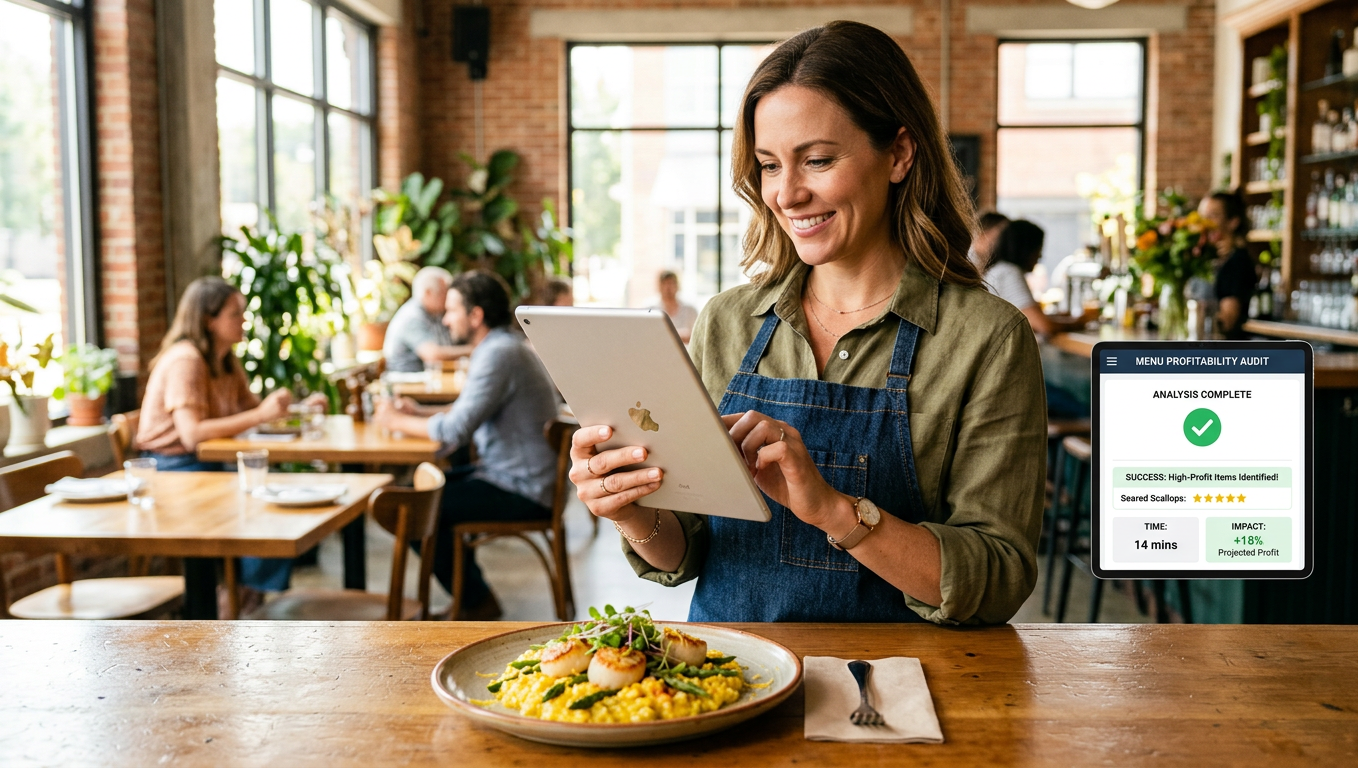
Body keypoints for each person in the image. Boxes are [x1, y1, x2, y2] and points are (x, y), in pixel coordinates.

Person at [567, 21, 1046, 625]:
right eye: (769, 166)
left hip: (897, 697)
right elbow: (684, 549)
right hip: (729, 687)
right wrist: (630, 510)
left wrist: (835, 511)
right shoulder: (728, 322)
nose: (787, 194)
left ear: (899, 153)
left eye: (817, 160)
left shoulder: (986, 338)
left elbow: (998, 579)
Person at [375, 271, 559, 620]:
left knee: (413, 508)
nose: (445, 319)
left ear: (476, 315)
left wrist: (396, 421)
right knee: (419, 494)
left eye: (453, 310)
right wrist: (420, 411)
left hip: (523, 488)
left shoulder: (498, 353)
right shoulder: (502, 347)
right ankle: (467, 596)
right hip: (513, 475)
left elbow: (456, 430)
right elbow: (468, 410)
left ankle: (475, 602)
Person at [134, 276, 321, 615]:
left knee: (271, 504)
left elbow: (253, 412)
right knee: (261, 507)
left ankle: (243, 595)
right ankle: (232, 602)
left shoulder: (224, 359)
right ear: (209, 319)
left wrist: (298, 410)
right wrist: (261, 413)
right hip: (172, 470)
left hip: (207, 466)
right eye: (236, 314)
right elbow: (191, 435)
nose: (244, 321)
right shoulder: (186, 360)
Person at [983, 220, 1096, 335]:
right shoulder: (1009, 273)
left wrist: (1056, 317)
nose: (1040, 256)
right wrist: (1079, 322)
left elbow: (1022, 316)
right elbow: (1042, 325)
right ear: (1027, 249)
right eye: (1039, 249)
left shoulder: (1000, 270)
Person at [382, 266, 471, 372]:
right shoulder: (411, 316)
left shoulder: (436, 314)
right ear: (428, 292)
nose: (448, 298)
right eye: (444, 292)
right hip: (405, 383)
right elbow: (433, 356)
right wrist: (471, 350)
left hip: (427, 380)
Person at [1199, 190, 1256, 339]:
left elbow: (1227, 321)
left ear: (1233, 222)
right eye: (1202, 215)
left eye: (1213, 215)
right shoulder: (1200, 257)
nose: (1204, 222)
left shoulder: (1238, 262)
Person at [652, 271, 698, 343]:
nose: (668, 288)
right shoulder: (650, 310)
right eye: (665, 284)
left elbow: (698, 336)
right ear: (659, 287)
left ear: (677, 286)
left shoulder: (690, 310)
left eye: (671, 283)